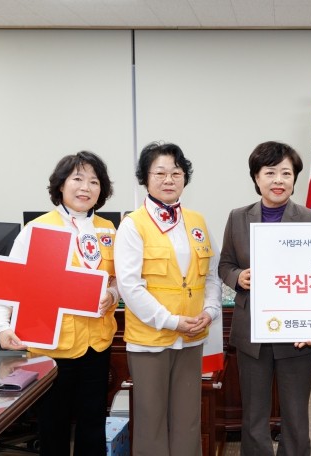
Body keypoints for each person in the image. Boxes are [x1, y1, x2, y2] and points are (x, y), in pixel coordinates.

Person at [0, 151, 118, 456]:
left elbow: (119, 280)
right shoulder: (38, 228)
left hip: (96, 344)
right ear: (61, 185)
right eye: (78, 179)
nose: (85, 187)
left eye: (94, 181)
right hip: (50, 346)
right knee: (53, 425)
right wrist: (1, 325)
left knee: (92, 423)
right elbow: (11, 279)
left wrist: (113, 295)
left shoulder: (109, 230)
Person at [114, 142, 221, 456]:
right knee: (151, 421)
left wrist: (211, 311)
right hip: (151, 338)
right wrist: (171, 321)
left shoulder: (197, 221)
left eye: (176, 173)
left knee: (188, 419)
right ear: (145, 178)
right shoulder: (133, 224)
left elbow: (211, 275)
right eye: (159, 173)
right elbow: (130, 287)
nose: (169, 179)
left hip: (191, 336)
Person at [218, 141, 311, 456]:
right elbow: (225, 264)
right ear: (256, 177)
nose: (278, 180)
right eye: (270, 172)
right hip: (252, 331)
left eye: (286, 173)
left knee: (295, 416)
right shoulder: (238, 217)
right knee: (254, 415)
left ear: (295, 178)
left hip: (297, 332)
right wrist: (238, 277)